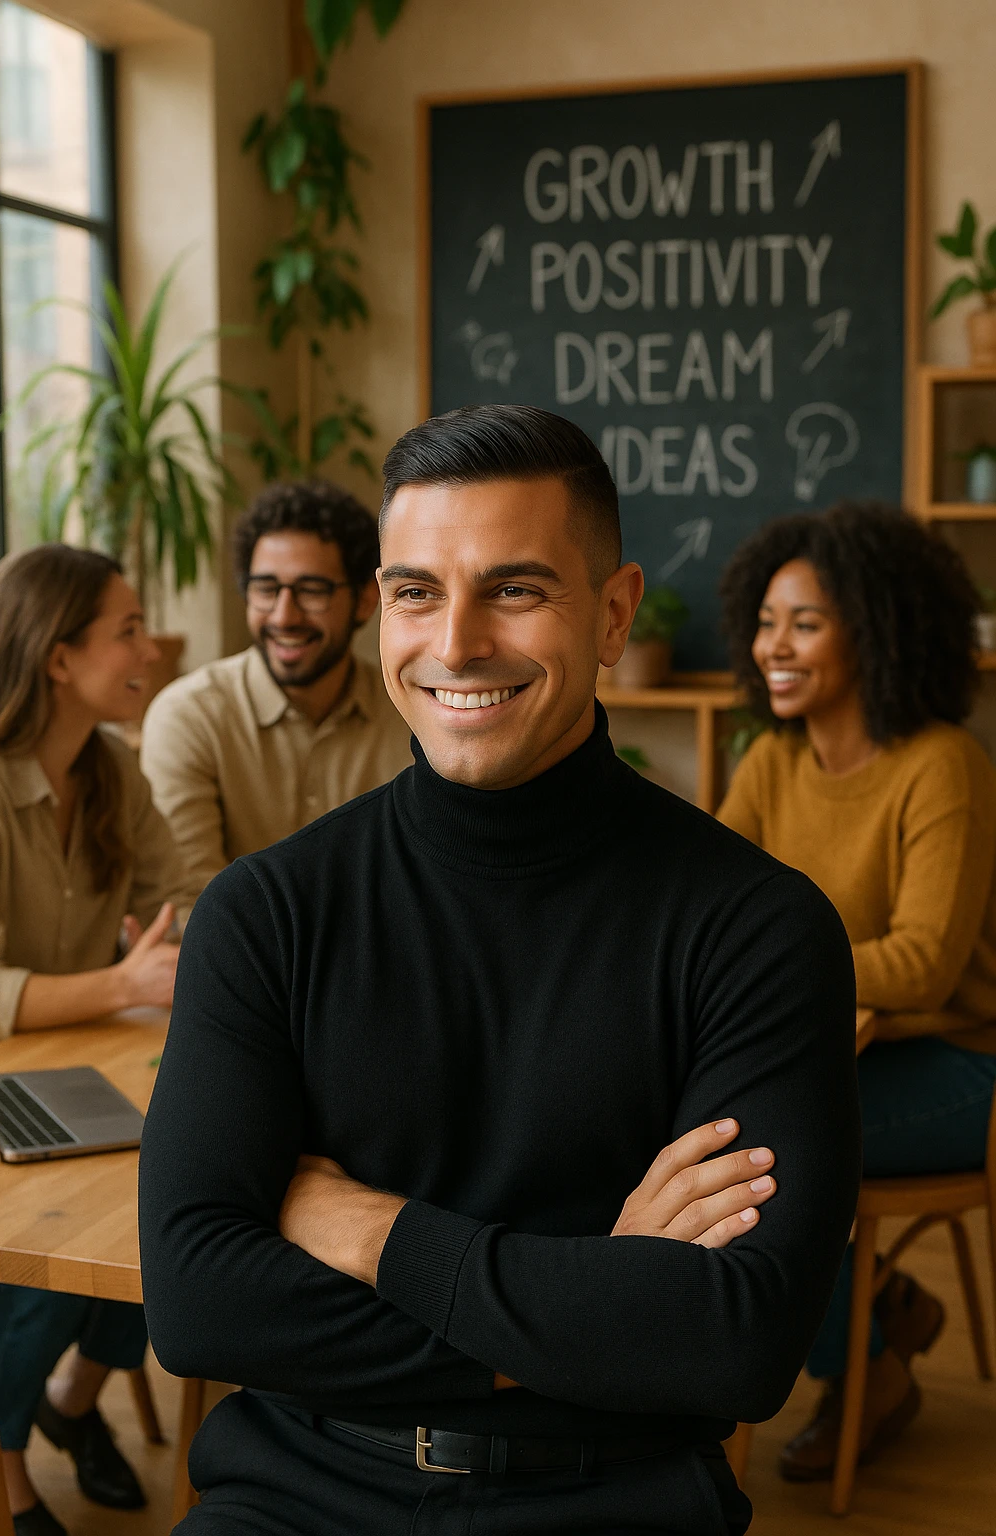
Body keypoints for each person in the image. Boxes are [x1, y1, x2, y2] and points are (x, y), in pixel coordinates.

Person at [139, 405, 861, 1536]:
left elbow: (735, 1343)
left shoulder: (757, 930)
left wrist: (368, 1233)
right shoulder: (267, 913)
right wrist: (596, 1293)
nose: (458, 642)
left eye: (515, 590)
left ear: (614, 612)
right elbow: (196, 1306)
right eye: (417, 592)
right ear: (383, 610)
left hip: (610, 1501)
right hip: (292, 1497)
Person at [717, 501, 996, 1482]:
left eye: (804, 622)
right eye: (764, 621)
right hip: (838, 1050)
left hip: (961, 1065)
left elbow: (921, 961)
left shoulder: (941, 766)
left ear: (874, 629)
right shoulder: (769, 763)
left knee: (769, 1154)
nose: (772, 646)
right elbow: (712, 922)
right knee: (698, 1126)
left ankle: (869, 1368)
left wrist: (782, 973)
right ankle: (873, 1300)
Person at [0, 545, 187, 1536]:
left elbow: (174, 910)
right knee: (53, 1250)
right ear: (60, 660)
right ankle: (3, 1464)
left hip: (75, 1070)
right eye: (129, 629)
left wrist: (167, 956)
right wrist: (123, 980)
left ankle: (68, 1405)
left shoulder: (111, 772)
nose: (152, 646)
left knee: (180, 1208)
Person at [140, 479, 412, 911]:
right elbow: (192, 901)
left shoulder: (413, 711)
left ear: (364, 600)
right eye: (266, 589)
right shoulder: (190, 716)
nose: (284, 616)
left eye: (311, 591)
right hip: (242, 969)